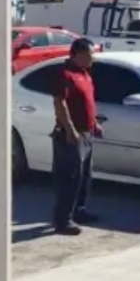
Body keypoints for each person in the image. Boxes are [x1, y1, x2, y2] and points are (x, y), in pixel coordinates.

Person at [50, 38, 103, 236]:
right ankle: (63, 220)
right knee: (69, 178)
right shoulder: (65, 74)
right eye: (89, 54)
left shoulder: (85, 74)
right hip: (72, 134)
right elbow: (60, 104)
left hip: (87, 133)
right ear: (77, 54)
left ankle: (79, 211)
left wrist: (95, 124)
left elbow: (87, 101)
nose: (92, 58)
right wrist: (70, 130)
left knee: (85, 176)